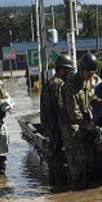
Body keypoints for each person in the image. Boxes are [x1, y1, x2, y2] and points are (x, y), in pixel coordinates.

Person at [59, 53, 99, 190]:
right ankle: (75, 189)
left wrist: (100, 102)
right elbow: (73, 113)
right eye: (88, 73)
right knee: (76, 161)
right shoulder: (71, 87)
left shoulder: (85, 82)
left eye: (93, 74)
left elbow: (90, 97)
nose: (90, 76)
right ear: (81, 70)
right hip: (71, 127)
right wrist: (87, 124)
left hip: (83, 126)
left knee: (86, 159)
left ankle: (83, 191)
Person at [40, 54, 74, 186]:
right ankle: (61, 185)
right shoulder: (58, 85)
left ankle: (54, 185)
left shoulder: (48, 83)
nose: (70, 73)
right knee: (59, 155)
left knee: (53, 154)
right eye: (68, 70)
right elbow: (61, 108)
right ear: (62, 69)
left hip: (49, 125)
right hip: (58, 126)